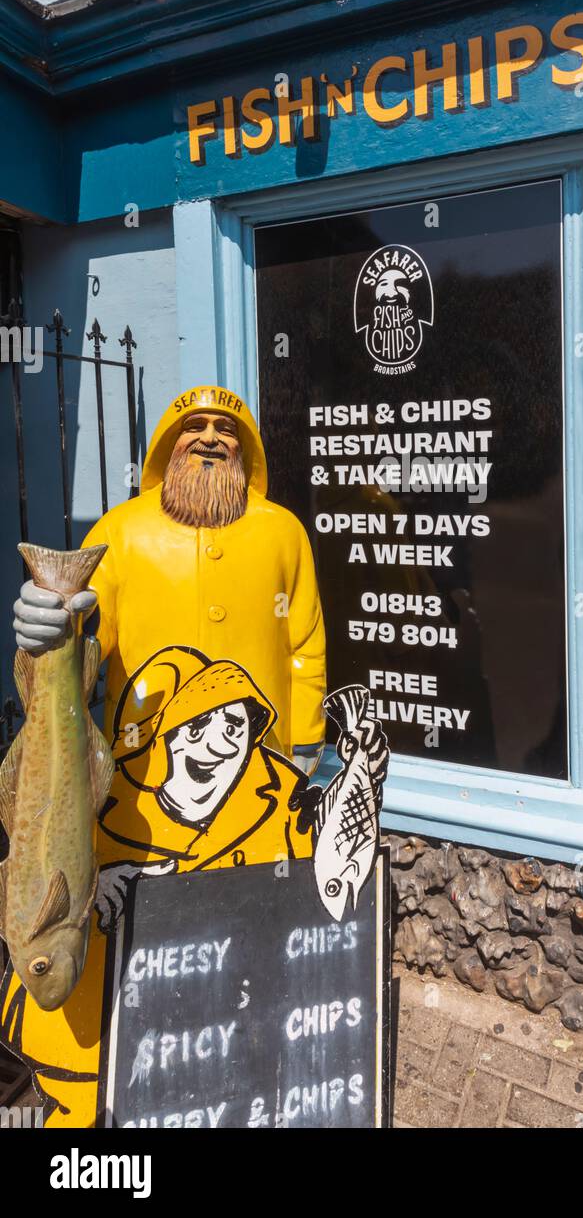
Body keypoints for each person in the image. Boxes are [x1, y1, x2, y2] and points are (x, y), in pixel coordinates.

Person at [3, 384, 386, 1127]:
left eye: (225, 428)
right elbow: (86, 652)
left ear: (248, 450)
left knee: (255, 956)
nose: (209, 438)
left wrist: (306, 742)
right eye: (192, 427)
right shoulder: (121, 532)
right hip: (142, 800)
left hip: (261, 790)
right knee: (117, 957)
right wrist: (50, 633)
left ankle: (246, 1086)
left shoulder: (283, 533)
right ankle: (93, 1104)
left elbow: (306, 644)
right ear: (163, 448)